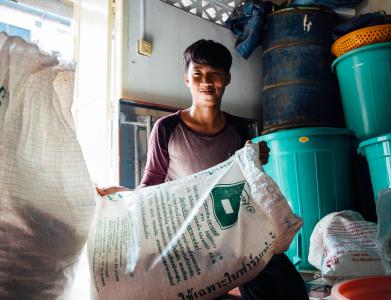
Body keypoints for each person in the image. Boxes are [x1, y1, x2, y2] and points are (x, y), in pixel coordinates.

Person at [97, 39, 309, 300]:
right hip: (190, 238)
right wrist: (120, 196)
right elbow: (151, 186)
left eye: (214, 75)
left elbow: (248, 182)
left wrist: (256, 159)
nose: (206, 82)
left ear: (227, 79)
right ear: (186, 79)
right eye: (197, 74)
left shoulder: (241, 129)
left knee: (291, 291)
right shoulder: (166, 128)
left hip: (235, 232)